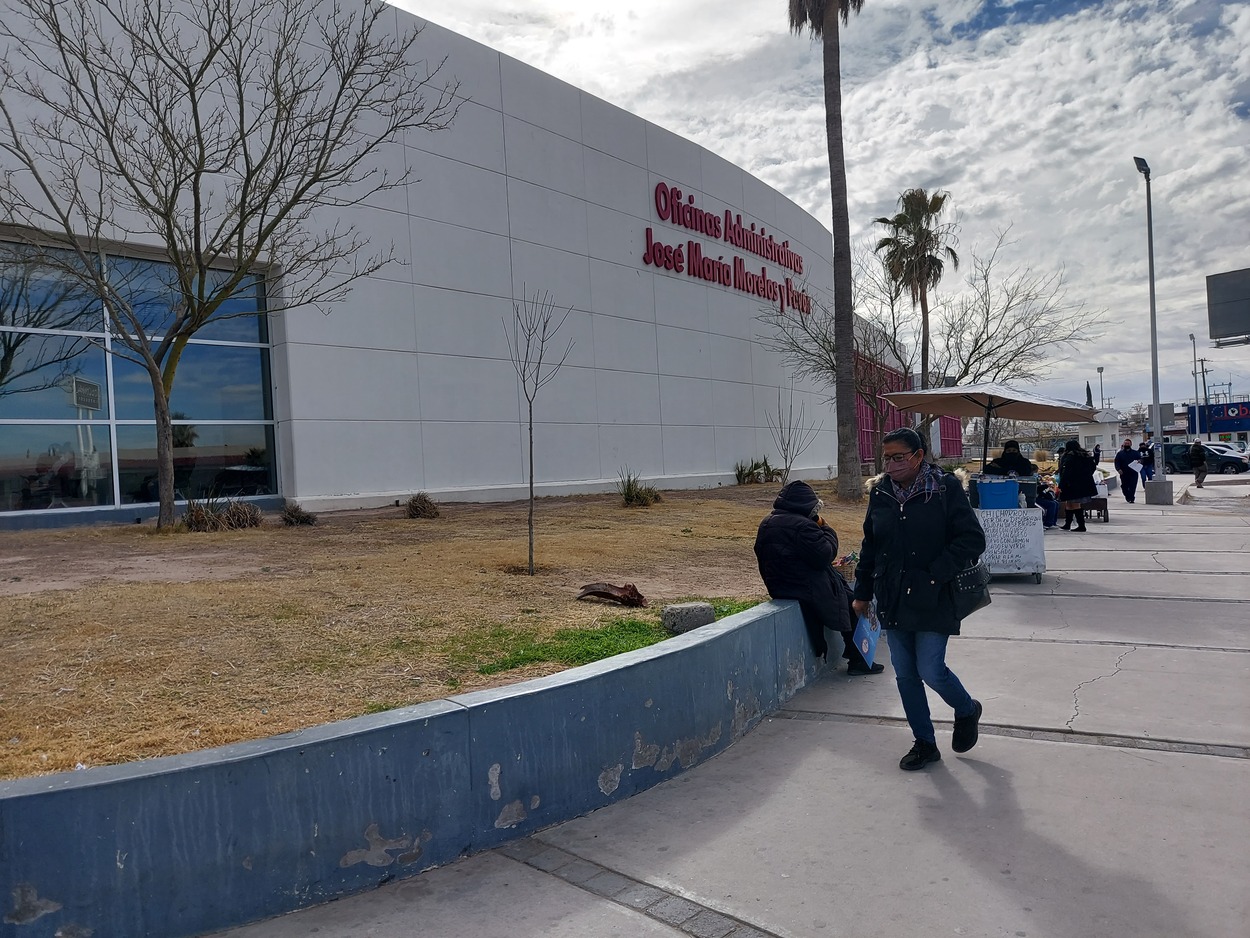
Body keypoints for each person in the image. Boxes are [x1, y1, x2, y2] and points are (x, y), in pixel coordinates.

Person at [851, 428, 986, 771]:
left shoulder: (944, 488)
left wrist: (935, 573)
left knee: (930, 669)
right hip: (893, 596)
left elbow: (972, 539)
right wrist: (863, 592)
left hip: (934, 595)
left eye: (900, 457)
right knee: (905, 674)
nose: (892, 465)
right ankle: (925, 743)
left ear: (919, 455)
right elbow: (871, 545)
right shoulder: (880, 491)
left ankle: (967, 708)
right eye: (887, 458)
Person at [754, 479, 884, 676]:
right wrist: (825, 527)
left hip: (779, 584)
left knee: (844, 596)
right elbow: (826, 554)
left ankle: (855, 654)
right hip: (803, 586)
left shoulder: (768, 522)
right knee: (851, 602)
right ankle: (858, 659)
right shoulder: (803, 526)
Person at [1057, 439, 1098, 531]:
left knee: (1074, 504)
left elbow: (1065, 472)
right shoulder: (1085, 455)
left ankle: (1080, 525)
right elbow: (1093, 467)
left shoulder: (1068, 456)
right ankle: (1069, 524)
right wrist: (1086, 476)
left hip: (1071, 483)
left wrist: (1061, 484)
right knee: (1070, 503)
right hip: (1083, 483)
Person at [1113, 438, 1139, 503]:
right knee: (1124, 486)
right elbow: (1117, 462)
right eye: (1125, 443)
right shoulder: (1120, 454)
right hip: (1124, 473)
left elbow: (1141, 460)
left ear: (1131, 444)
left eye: (1128, 443)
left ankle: (1131, 498)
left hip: (1133, 473)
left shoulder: (1135, 453)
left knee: (1132, 486)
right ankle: (1127, 496)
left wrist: (1140, 461)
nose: (1126, 444)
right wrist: (1118, 469)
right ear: (1123, 444)